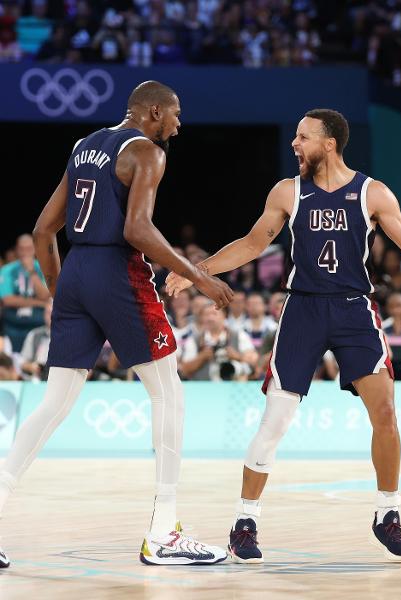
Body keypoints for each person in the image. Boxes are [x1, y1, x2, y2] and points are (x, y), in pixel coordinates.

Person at [166, 108, 401, 563]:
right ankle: (245, 520)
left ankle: (388, 514)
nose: (294, 144)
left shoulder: (371, 193)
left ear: (330, 143)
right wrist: (196, 272)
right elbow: (252, 244)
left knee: (385, 414)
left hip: (355, 308)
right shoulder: (288, 191)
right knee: (274, 421)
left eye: (303, 137)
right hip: (302, 309)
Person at [0, 80, 233, 569]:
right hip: (116, 271)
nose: (178, 124)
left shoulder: (84, 146)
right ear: (152, 112)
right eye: (175, 113)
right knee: (169, 392)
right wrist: (200, 276)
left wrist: (60, 291)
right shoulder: (147, 152)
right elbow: (137, 230)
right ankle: (163, 533)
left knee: (53, 404)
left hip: (78, 271)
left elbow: (45, 229)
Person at [0, 234, 51, 352]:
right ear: (17, 250)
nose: (25, 253)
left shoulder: (44, 268)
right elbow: (8, 300)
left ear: (35, 249)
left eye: (28, 249)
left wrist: (32, 272)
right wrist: (39, 303)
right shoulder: (7, 270)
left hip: (38, 327)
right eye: (21, 249)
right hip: (13, 327)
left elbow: (45, 296)